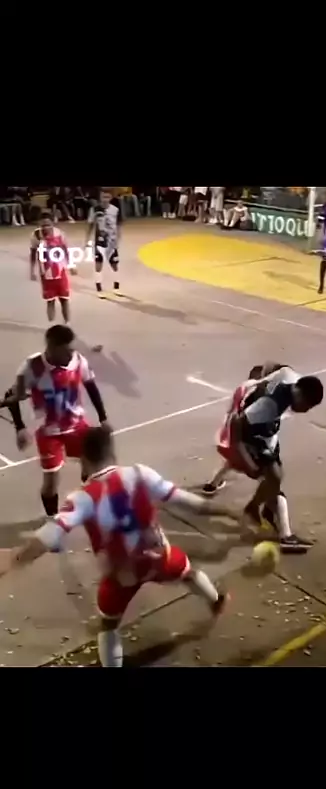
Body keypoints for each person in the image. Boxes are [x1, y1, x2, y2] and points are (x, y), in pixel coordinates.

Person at [8, 427, 237, 667]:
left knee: (109, 625)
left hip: (121, 575)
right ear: (112, 453)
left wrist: (16, 559)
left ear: (84, 461)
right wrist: (228, 512)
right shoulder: (140, 474)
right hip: (159, 559)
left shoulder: (82, 498)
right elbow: (191, 503)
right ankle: (216, 602)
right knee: (188, 572)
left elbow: (50, 534)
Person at [1, 325, 110, 520]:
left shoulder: (78, 360)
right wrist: (20, 428)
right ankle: (53, 519)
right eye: (66, 350)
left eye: (72, 349)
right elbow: (12, 396)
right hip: (49, 432)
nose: (71, 354)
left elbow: (91, 386)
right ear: (51, 348)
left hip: (76, 424)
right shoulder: (32, 367)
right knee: (51, 482)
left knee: (93, 465)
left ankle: (89, 503)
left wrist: (103, 418)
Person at [228, 367, 324, 553]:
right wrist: (246, 458)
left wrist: (259, 380)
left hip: (267, 432)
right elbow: (237, 423)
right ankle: (257, 512)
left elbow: (278, 368)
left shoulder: (290, 377)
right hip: (253, 436)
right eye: (307, 405)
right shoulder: (268, 407)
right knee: (275, 477)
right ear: (299, 393)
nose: (306, 410)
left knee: (274, 480)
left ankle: (265, 511)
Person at [202, 362, 285, 496]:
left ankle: (213, 483)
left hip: (235, 431)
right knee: (262, 469)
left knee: (233, 460)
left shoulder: (243, 388)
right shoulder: (265, 395)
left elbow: (232, 410)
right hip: (254, 437)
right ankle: (270, 494)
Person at [30, 211, 73, 324]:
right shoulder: (35, 236)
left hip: (60, 271)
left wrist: (71, 265)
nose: (45, 228)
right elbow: (33, 254)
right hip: (46, 274)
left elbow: (66, 251)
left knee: (64, 299)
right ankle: (51, 325)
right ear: (39, 224)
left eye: (48, 225)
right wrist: (32, 271)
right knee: (50, 301)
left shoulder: (60, 234)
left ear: (52, 224)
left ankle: (67, 323)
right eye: (43, 225)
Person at [85, 189, 122, 295]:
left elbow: (118, 226)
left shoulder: (115, 210)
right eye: (103, 197)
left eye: (107, 197)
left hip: (111, 242)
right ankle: (99, 289)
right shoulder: (94, 210)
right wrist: (87, 240)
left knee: (114, 265)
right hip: (99, 241)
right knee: (98, 265)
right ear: (100, 198)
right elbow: (90, 225)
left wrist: (118, 240)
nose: (105, 199)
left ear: (111, 198)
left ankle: (116, 288)